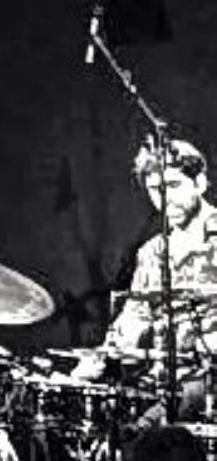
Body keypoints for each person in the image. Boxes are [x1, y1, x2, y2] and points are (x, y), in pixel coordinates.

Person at [92, 137, 217, 409]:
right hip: (163, 383)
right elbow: (135, 316)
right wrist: (98, 360)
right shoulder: (152, 251)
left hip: (209, 384)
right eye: (155, 190)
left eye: (173, 186)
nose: (165, 199)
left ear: (200, 183)